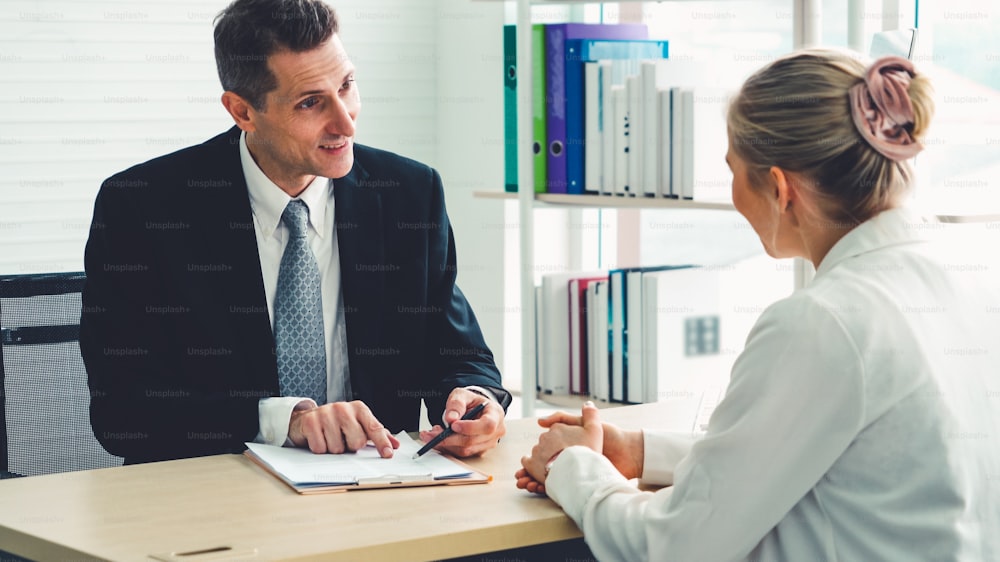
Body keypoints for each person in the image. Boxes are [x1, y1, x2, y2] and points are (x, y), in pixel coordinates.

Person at [516, 49, 1000, 561]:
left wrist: (574, 467)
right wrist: (639, 452)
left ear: (779, 186)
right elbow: (834, 455)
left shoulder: (823, 322)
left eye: (733, 170)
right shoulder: (974, 278)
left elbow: (673, 547)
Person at [80, 0, 510, 466]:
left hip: (377, 493)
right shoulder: (143, 208)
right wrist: (286, 421)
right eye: (310, 102)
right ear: (242, 111)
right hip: (212, 498)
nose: (346, 121)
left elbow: (459, 353)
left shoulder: (408, 194)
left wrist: (474, 398)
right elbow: (123, 413)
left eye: (346, 85)